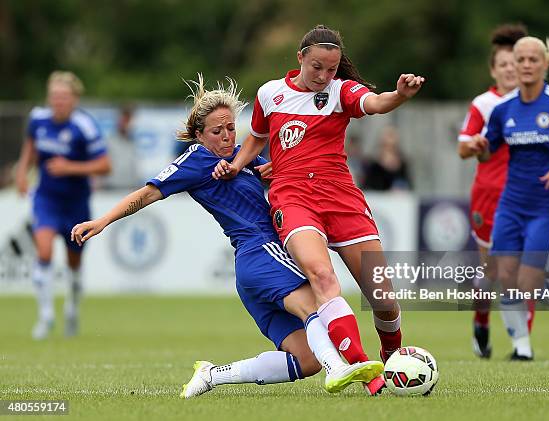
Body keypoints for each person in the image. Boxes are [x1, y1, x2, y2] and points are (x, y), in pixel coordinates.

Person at [71, 75, 383, 398]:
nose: (226, 136)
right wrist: (103, 220)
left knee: (306, 360)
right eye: (216, 131)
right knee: (315, 305)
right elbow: (148, 194)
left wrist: (276, 166)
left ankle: (213, 375)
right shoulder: (196, 159)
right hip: (261, 250)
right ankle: (340, 368)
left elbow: (284, 172)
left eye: (231, 128)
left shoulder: (241, 159)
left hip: (252, 270)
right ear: (199, 136)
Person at [212, 24, 425, 394]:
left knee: (384, 299)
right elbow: (258, 137)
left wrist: (399, 96)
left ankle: (391, 357)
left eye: (331, 69)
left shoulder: (341, 91)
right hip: (292, 197)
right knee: (323, 278)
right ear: (300, 58)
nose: (324, 76)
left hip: (341, 197)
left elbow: (375, 103)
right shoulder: (270, 94)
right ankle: (367, 374)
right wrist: (237, 164)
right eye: (317, 68)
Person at [469, 31, 549, 360]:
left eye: (532, 60)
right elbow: (488, 152)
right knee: (506, 279)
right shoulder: (502, 110)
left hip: (547, 206)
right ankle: (522, 350)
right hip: (510, 204)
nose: (525, 65)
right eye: (519, 60)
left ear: (544, 65)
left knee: (528, 282)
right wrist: (481, 149)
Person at [457, 24, 535, 359]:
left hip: (528, 197)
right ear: (494, 69)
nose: (508, 69)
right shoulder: (485, 104)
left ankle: (522, 347)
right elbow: (462, 147)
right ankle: (481, 318)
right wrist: (475, 144)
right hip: (490, 197)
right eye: (502, 64)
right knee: (493, 271)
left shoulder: (537, 103)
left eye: (513, 63)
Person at [14, 71, 111, 340]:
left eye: (64, 97)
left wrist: (71, 167)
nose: (58, 101)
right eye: (54, 96)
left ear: (74, 99)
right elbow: (31, 147)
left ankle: (72, 307)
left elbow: (105, 165)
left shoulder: (85, 126)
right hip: (46, 199)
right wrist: (22, 172)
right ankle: (45, 316)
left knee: (73, 264)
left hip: (76, 204)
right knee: (43, 252)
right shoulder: (38, 119)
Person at [363, 126, 412, 191]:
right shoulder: (373, 165)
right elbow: (368, 187)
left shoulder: (403, 164)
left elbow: (409, 186)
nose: (390, 141)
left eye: (392, 135)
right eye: (388, 135)